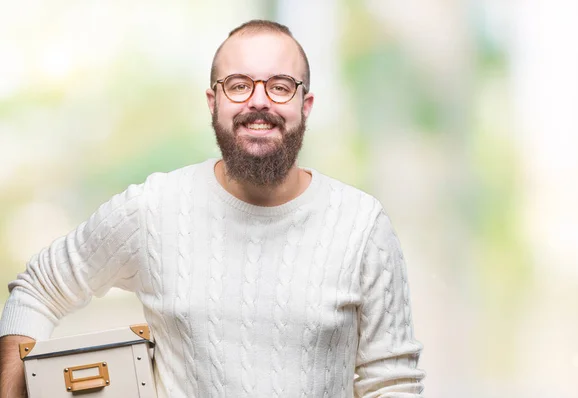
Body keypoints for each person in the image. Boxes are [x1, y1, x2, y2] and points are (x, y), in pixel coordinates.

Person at [0, 20, 425, 397]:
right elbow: (39, 288)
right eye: (239, 85)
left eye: (279, 86)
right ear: (213, 102)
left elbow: (392, 384)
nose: (259, 102)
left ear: (305, 106)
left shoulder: (361, 224)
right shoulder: (154, 208)